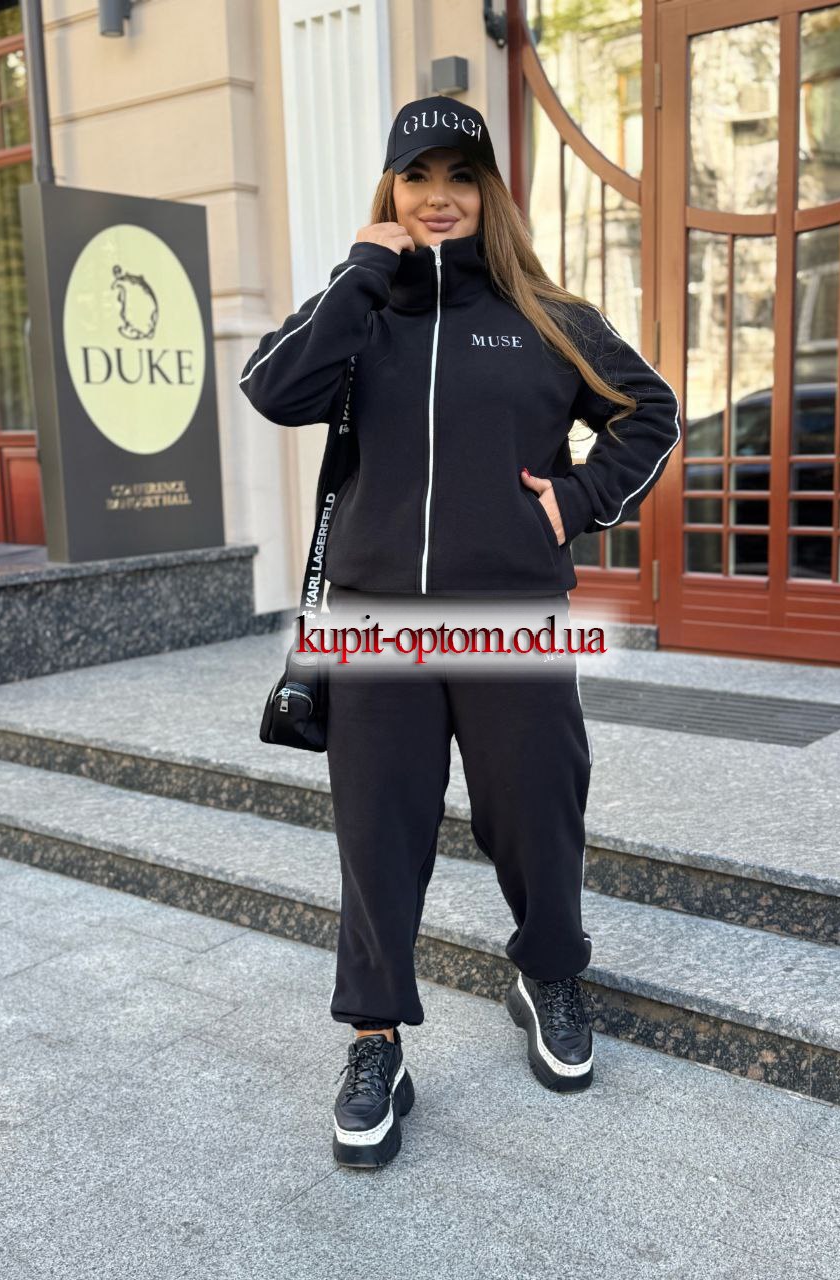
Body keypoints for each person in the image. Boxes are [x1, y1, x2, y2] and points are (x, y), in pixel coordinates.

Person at [239, 95, 682, 1169]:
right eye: (417, 177)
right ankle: (375, 1038)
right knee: (377, 836)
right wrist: (362, 270)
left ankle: (548, 971)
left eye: (460, 177)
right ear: (391, 190)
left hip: (509, 618)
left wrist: (578, 501)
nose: (439, 198)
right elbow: (273, 388)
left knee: (537, 810)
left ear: (489, 192)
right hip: (376, 624)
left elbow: (652, 411)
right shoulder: (358, 308)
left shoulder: (547, 316)